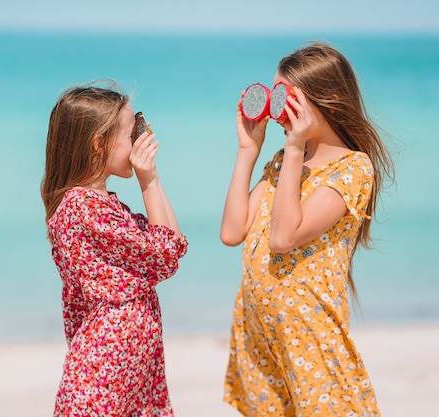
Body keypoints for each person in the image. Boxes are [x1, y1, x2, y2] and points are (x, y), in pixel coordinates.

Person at [220, 43, 394, 417]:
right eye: (275, 96)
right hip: (260, 331)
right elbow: (233, 231)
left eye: (287, 98)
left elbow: (284, 238)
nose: (278, 108)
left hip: (307, 336)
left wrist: (295, 148)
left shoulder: (353, 169)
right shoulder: (284, 161)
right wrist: (248, 151)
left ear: (327, 98)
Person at [41, 81, 188, 416]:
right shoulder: (82, 209)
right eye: (129, 133)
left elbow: (172, 245)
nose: (138, 140)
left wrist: (151, 177)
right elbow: (164, 257)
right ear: (98, 144)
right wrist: (147, 180)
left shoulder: (104, 206)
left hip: (128, 373)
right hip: (104, 377)